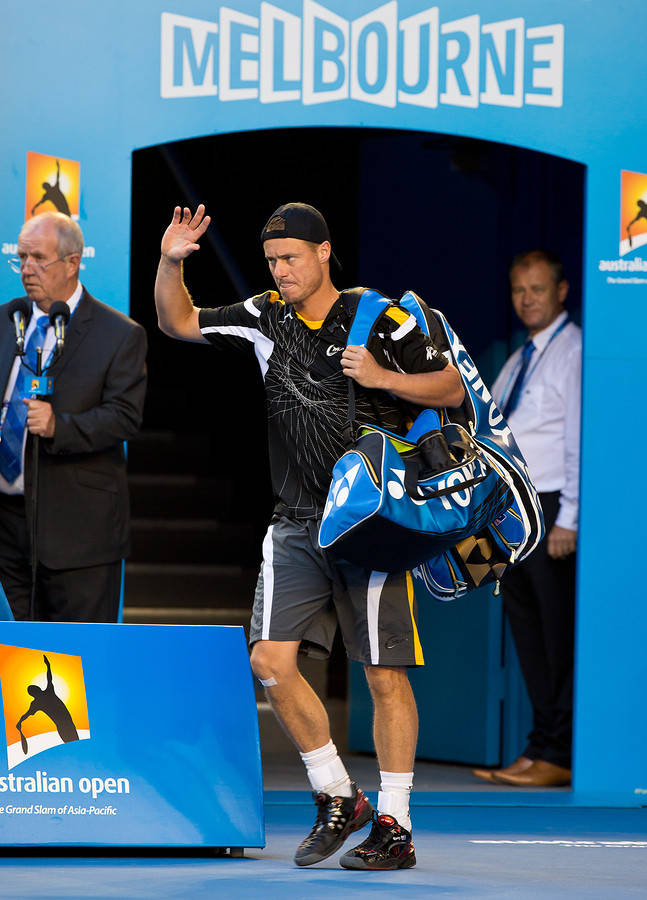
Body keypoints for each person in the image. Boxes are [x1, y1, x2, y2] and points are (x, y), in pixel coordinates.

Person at [154, 202, 464, 870]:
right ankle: (336, 793)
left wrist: (382, 377)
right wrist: (172, 261)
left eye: (291, 257)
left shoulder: (379, 317)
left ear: (325, 253)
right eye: (272, 260)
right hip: (297, 521)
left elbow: (452, 387)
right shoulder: (266, 315)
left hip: (373, 522)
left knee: (383, 674)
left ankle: (397, 825)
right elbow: (176, 321)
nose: (280, 270)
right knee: (270, 660)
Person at [0, 212, 147, 622]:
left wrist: (58, 426)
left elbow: (124, 417)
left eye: (38, 259)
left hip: (78, 532)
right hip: (8, 528)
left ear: (72, 262)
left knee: (79, 663)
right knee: (17, 659)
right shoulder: (5, 320)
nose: (27, 269)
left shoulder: (118, 334)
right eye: (21, 258)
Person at [472, 250, 581, 788]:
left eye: (537, 288)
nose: (527, 299)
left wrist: (572, 520)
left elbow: (578, 439)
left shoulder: (574, 352)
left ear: (561, 291)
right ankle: (539, 747)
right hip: (514, 512)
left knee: (557, 636)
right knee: (527, 633)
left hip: (553, 507)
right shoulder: (520, 358)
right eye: (519, 289)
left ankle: (558, 751)